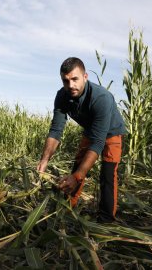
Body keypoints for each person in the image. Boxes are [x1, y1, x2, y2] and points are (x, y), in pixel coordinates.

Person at [37, 57, 126, 223]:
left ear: (85, 77)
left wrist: (77, 176)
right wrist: (44, 160)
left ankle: (106, 220)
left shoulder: (101, 98)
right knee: (78, 165)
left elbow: (98, 143)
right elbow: (56, 130)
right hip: (91, 129)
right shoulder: (62, 96)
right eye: (66, 81)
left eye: (75, 79)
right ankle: (68, 206)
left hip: (112, 132)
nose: (70, 85)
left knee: (107, 174)